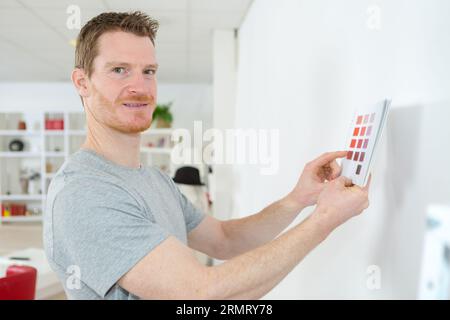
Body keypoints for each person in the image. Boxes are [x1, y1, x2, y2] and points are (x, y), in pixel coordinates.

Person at [43, 11, 370, 300]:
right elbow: (200, 292)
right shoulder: (83, 193)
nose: (140, 87)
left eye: (149, 71)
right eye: (119, 70)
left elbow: (225, 240)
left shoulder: (154, 179)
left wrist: (297, 200)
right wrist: (324, 220)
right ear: (82, 82)